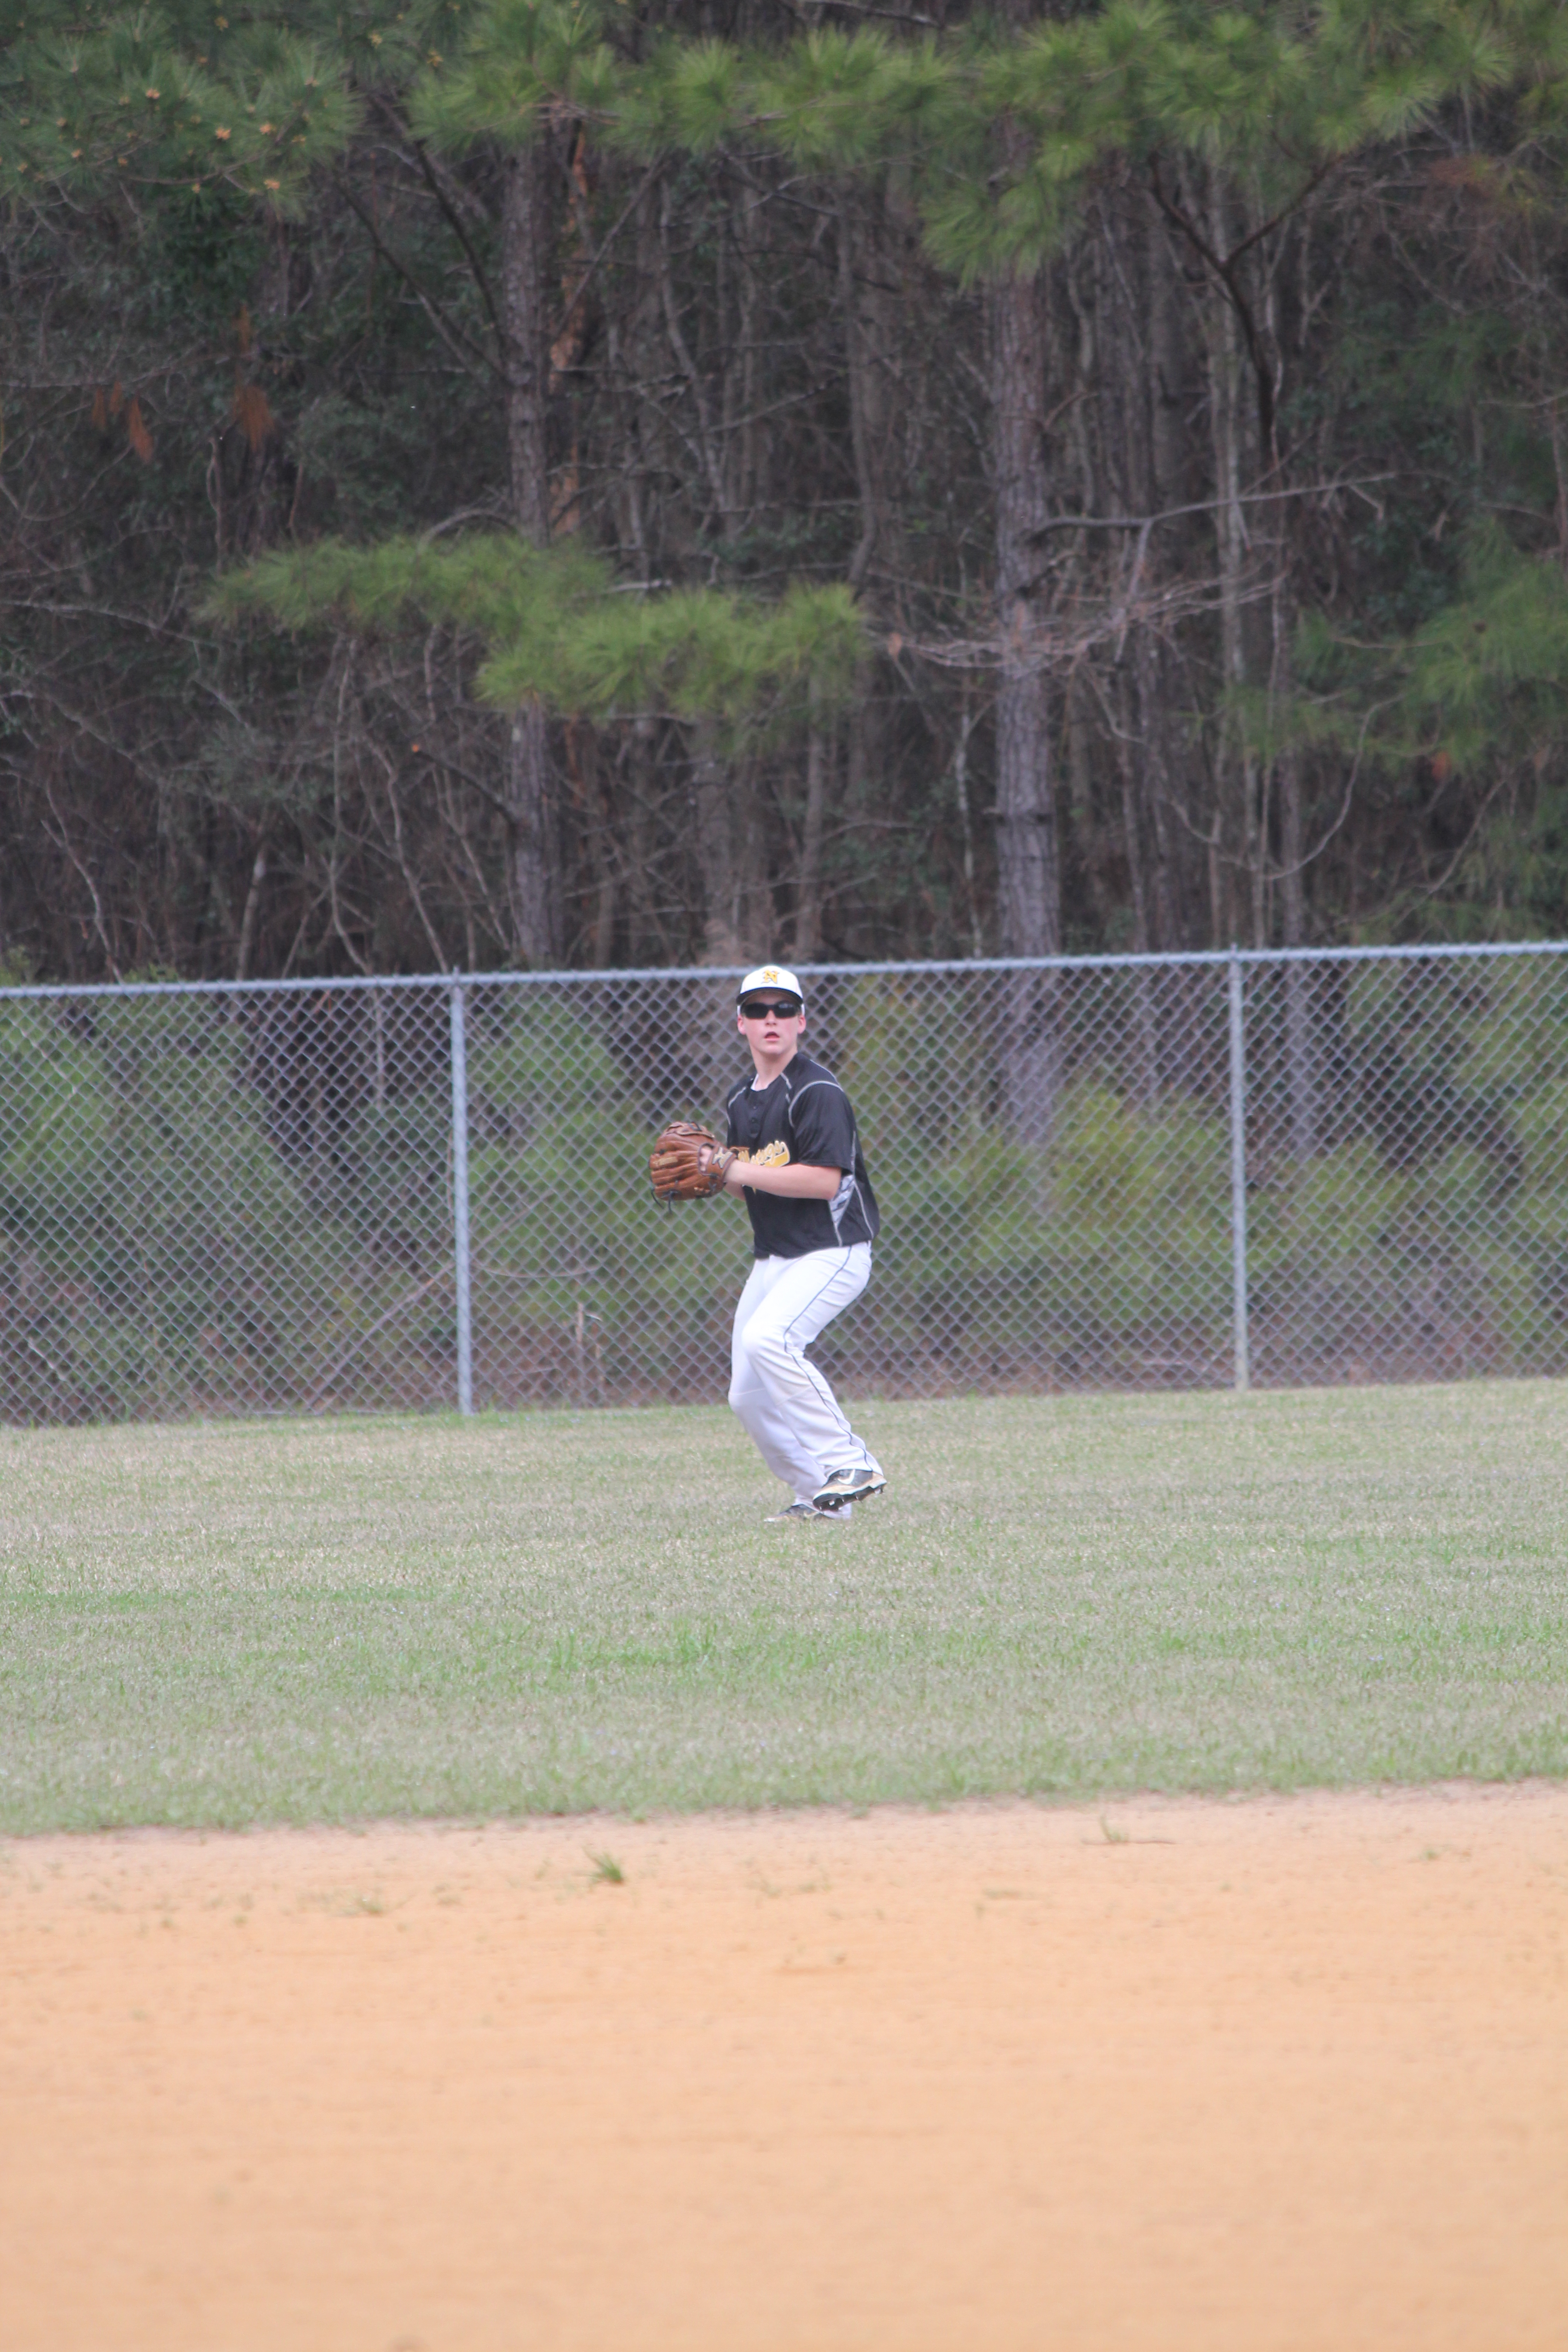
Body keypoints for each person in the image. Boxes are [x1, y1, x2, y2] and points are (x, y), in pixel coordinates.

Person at [707, 964, 886, 1523]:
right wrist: (719, 1177)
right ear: (740, 1023)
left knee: (771, 1339)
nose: (771, 1019)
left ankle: (851, 1463)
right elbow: (757, 1187)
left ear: (802, 1021)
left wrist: (734, 1169)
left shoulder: (817, 1091)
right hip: (777, 1257)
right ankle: (819, 1495)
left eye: (783, 1009)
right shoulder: (742, 1098)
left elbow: (822, 1181)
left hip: (832, 1251)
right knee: (747, 1395)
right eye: (758, 1010)